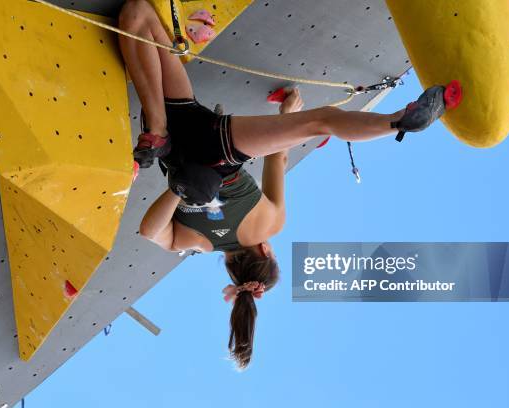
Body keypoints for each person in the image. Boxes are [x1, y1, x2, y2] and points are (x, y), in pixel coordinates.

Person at [118, 0, 447, 369]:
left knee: (320, 121)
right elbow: (149, 232)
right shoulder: (195, 241)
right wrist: (178, 190)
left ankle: (396, 122)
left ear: (265, 251)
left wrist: (287, 115)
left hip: (219, 147)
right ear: (231, 270)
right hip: (178, 145)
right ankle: (157, 128)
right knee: (135, 16)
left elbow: (280, 158)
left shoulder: (270, 224)